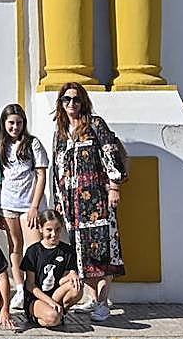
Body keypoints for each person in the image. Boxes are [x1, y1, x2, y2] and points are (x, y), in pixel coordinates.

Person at [53, 83, 127, 322]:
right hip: (72, 205)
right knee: (83, 255)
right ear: (61, 104)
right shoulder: (61, 132)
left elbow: (110, 153)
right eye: (66, 100)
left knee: (103, 253)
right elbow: (58, 171)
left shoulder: (95, 125)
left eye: (75, 99)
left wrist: (114, 186)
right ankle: (93, 298)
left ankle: (103, 303)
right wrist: (58, 201)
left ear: (83, 102)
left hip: (97, 201)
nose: (71, 104)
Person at [0, 103, 49, 312]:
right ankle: (19, 288)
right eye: (11, 123)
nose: (15, 127)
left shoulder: (32, 144)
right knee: (14, 247)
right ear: (4, 124)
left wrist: (35, 206)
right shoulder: (0, 147)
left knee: (34, 248)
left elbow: (41, 174)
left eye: (18, 123)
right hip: (7, 204)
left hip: (29, 205)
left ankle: (33, 288)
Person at [20, 209, 83, 328]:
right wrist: (50, 302)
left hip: (55, 295)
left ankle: (58, 312)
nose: (54, 234)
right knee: (53, 319)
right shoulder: (33, 251)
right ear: (41, 228)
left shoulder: (67, 251)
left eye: (58, 229)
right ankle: (43, 316)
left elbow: (62, 280)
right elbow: (30, 285)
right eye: (49, 230)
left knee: (77, 285)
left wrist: (72, 274)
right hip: (36, 298)